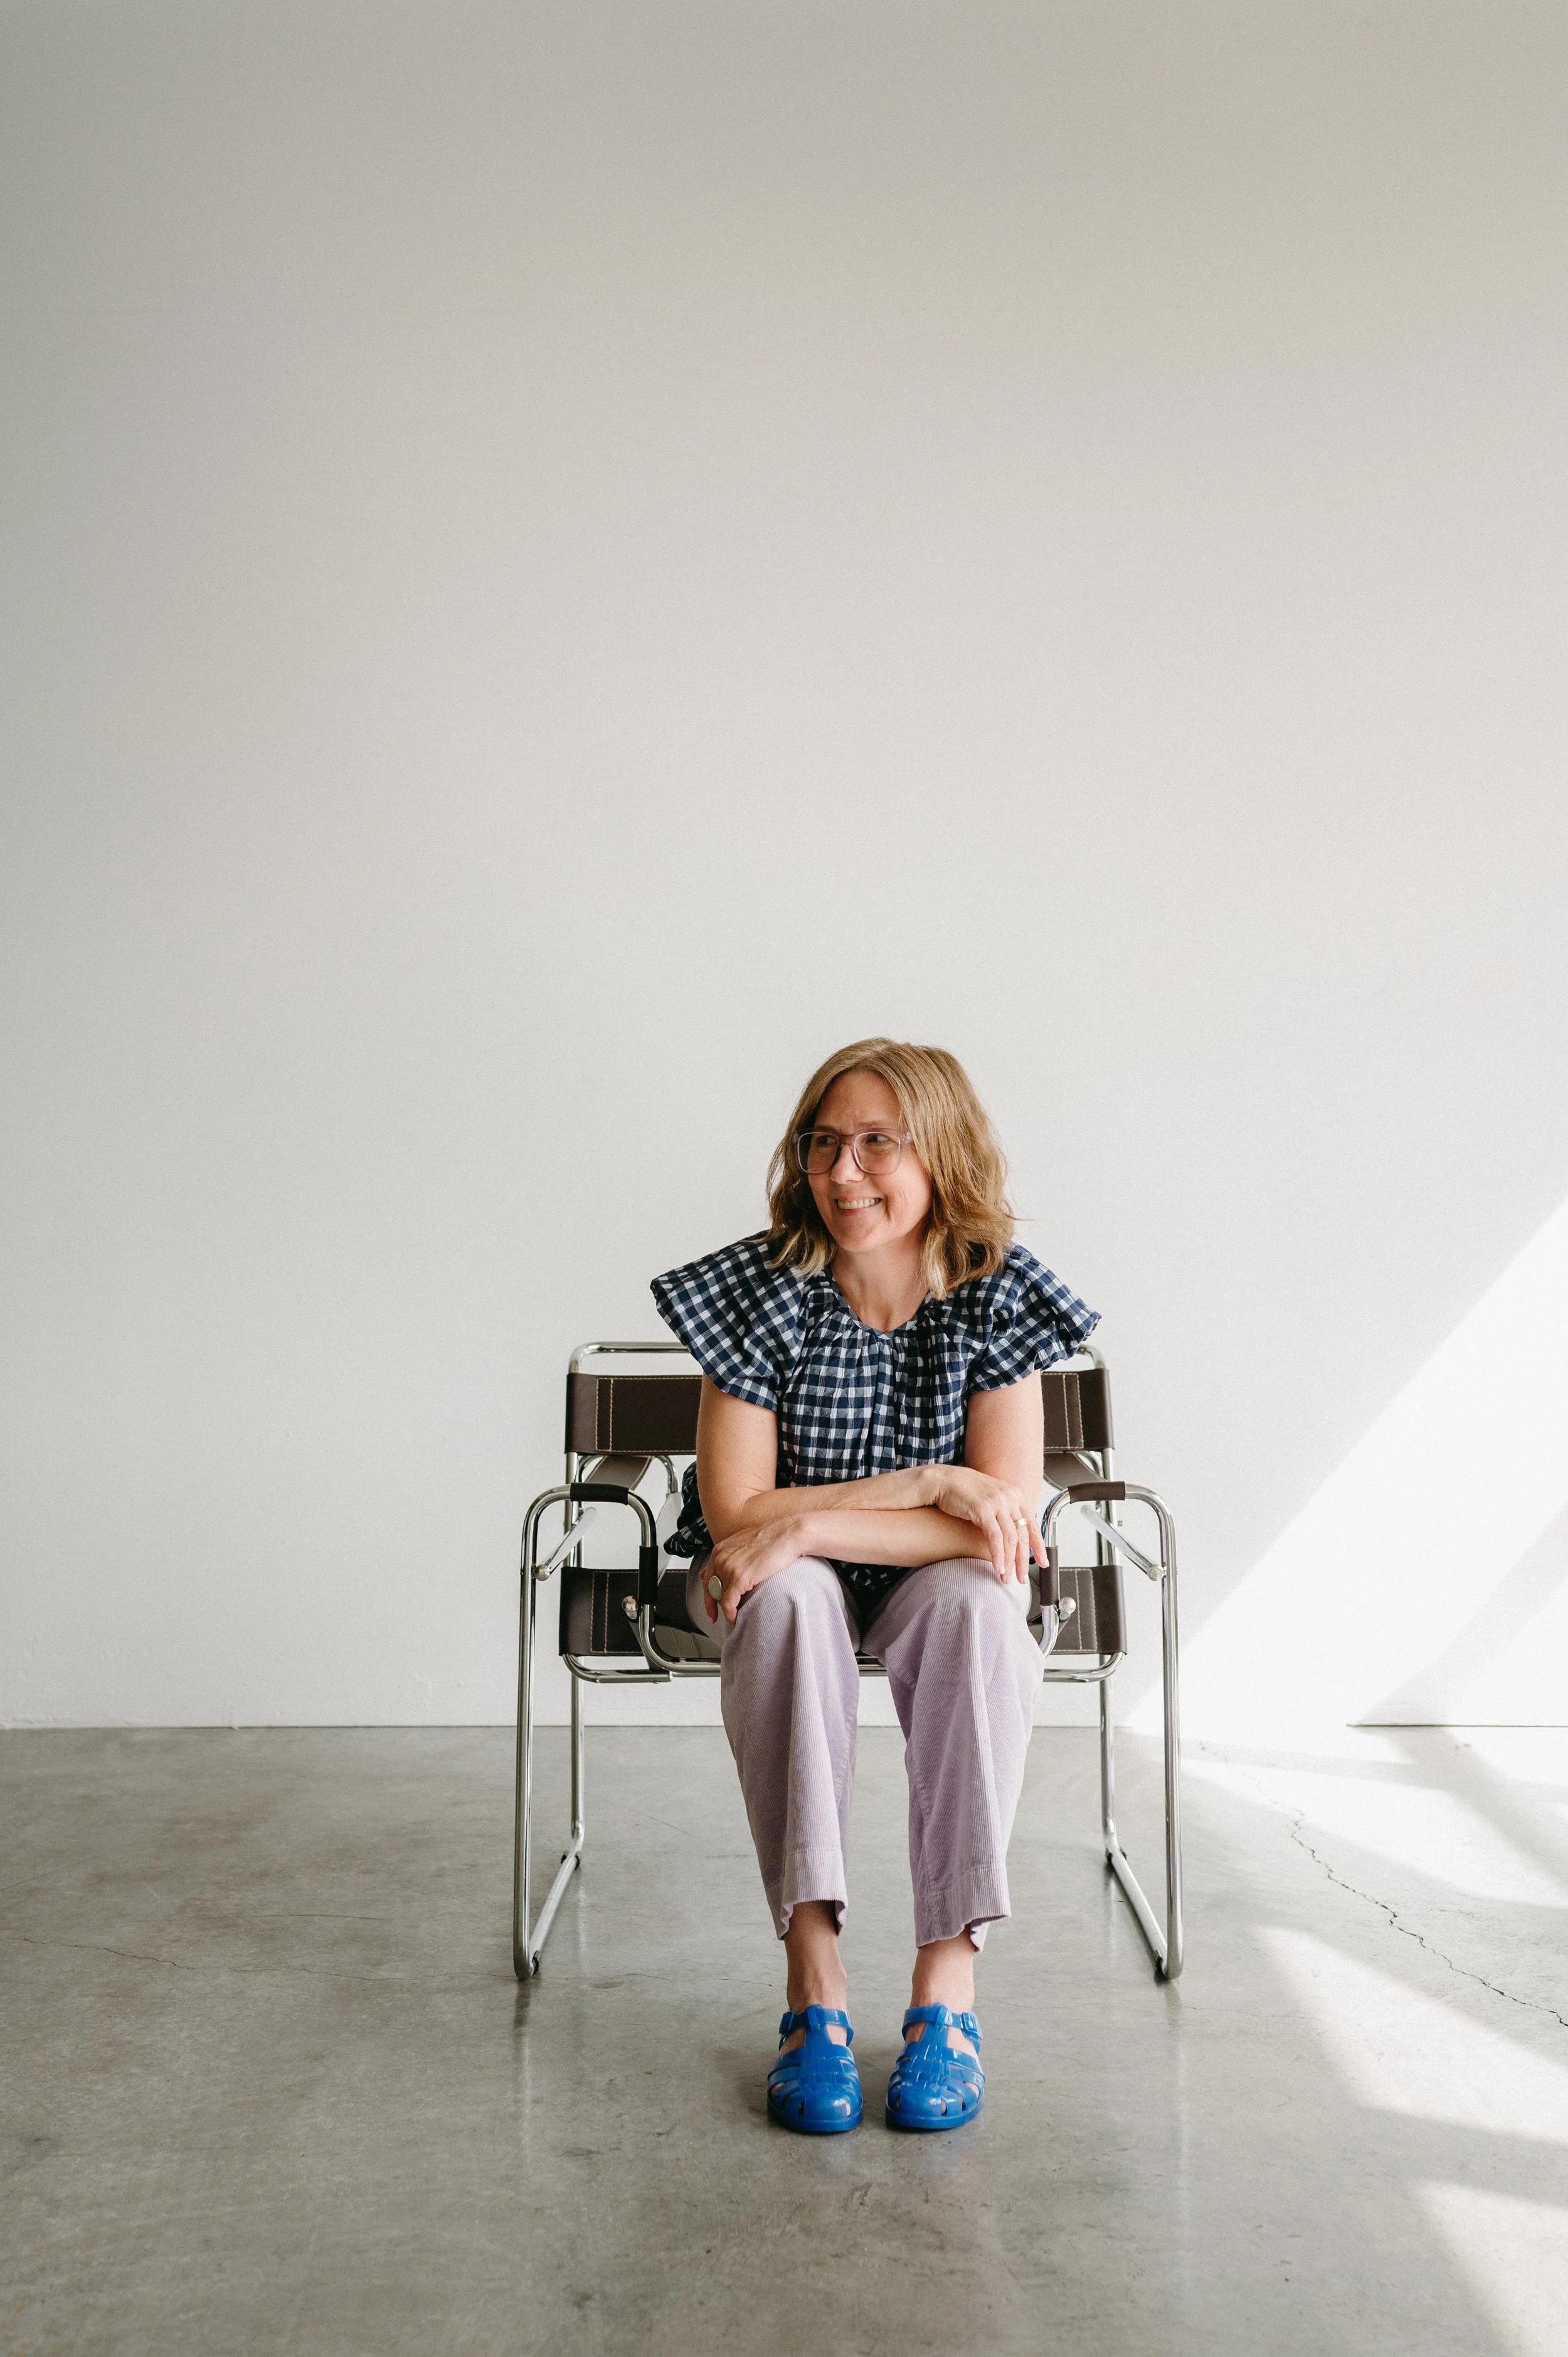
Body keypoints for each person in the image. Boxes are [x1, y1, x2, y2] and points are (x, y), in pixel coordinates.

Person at [650, 1037, 1098, 2134]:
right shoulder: (758, 1291)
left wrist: (808, 1515)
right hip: (776, 1591)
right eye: (823, 1144)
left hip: (930, 1582)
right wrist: (922, 1484)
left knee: (977, 1604)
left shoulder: (995, 1299)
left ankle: (948, 1989)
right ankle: (815, 1988)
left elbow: (996, 1526)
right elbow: (740, 1515)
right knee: (790, 1595)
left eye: (876, 1144)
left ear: (939, 1152)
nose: (843, 1172)